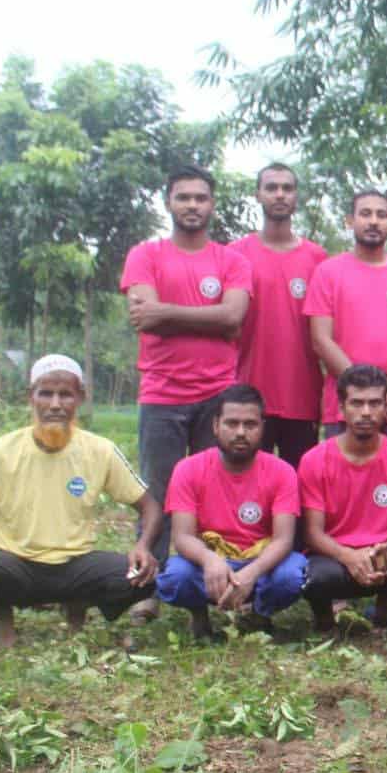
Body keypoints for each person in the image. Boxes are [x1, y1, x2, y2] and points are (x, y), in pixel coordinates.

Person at [0, 355, 160, 648]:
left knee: (144, 578)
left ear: (79, 397)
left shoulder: (100, 450)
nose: (55, 404)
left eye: (65, 394)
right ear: (31, 397)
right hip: (15, 566)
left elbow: (150, 506)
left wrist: (142, 546)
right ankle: (2, 616)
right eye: (46, 393)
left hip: (75, 566)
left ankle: (76, 607)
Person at [120, 165, 251, 620]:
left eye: (200, 198)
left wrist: (166, 313)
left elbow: (233, 318)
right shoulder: (145, 254)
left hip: (218, 395)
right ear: (168, 203)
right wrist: (205, 314)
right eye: (183, 197)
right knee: (157, 491)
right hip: (161, 393)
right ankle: (148, 588)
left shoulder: (230, 260)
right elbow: (143, 316)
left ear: (212, 205)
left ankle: (208, 588)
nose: (192, 205)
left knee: (210, 491)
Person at [154, 384, 308, 638]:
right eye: (231, 423)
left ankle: (259, 615)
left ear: (262, 427)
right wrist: (210, 560)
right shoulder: (188, 469)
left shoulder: (282, 472)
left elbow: (283, 540)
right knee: (175, 577)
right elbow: (182, 537)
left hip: (260, 560)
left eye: (250, 425)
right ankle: (199, 615)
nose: (240, 432)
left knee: (291, 576)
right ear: (216, 426)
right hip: (210, 562)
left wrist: (251, 573)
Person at [299, 365, 387, 630]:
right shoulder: (315, 460)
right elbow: (312, 534)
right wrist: (348, 556)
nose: (365, 412)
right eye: (357, 403)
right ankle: (324, 615)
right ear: (341, 407)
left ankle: (386, 602)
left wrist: (384, 550)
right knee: (313, 577)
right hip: (335, 558)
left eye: (375, 403)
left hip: (383, 555)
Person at [305, 189, 387, 445]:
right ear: (350, 221)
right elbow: (320, 339)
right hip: (344, 404)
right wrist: (361, 390)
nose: (373, 221)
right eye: (365, 214)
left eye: (381, 215)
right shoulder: (327, 272)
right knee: (342, 481)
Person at [230, 162, 327, 467]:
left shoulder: (318, 259)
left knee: (298, 494)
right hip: (246, 396)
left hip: (302, 396)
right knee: (248, 491)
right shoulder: (235, 255)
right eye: (271, 188)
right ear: (258, 194)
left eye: (287, 188)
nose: (279, 195)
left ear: (296, 197)